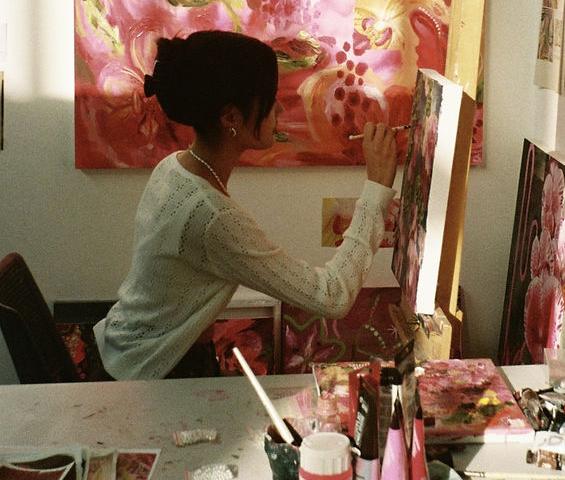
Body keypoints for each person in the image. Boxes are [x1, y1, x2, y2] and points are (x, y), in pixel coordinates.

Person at [94, 30, 398, 380]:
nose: (280, 108)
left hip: (123, 351)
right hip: (145, 378)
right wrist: (377, 187)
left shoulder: (176, 167)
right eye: (269, 100)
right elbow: (332, 296)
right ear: (231, 117)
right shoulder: (210, 216)